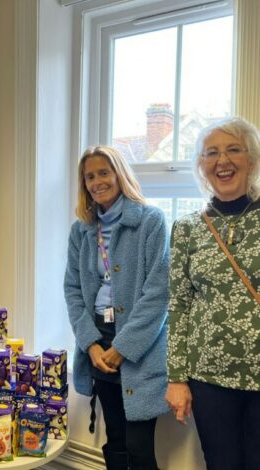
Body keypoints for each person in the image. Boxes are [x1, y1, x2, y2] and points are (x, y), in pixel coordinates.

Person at [64, 146, 169, 470]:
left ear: (119, 174)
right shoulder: (82, 230)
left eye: (103, 173)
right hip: (98, 337)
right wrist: (92, 345)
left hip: (139, 343)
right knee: (116, 441)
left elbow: (159, 292)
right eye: (89, 176)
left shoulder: (150, 221)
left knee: (139, 447)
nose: (97, 182)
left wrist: (122, 348)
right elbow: (72, 290)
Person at [166, 117, 260, 470]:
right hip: (209, 380)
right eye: (212, 153)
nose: (223, 160)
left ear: (251, 160)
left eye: (234, 149)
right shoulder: (187, 228)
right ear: (202, 167)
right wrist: (176, 378)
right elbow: (178, 305)